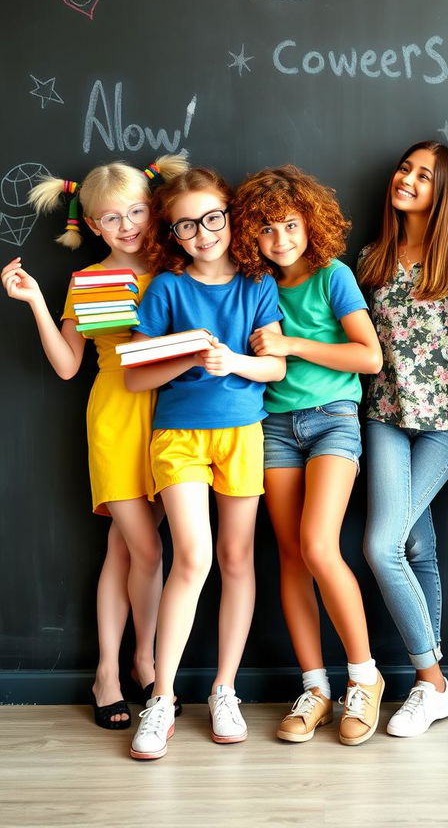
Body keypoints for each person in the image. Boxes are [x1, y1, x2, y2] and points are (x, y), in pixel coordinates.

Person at [1, 158, 177, 729]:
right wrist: (34, 303)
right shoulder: (89, 281)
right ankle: (126, 667)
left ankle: (129, 665)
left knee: (124, 549)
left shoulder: (179, 268)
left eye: (136, 211)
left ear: (153, 209)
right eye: (112, 218)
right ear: (93, 226)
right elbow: (70, 366)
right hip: (116, 415)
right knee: (144, 549)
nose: (127, 225)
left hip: (175, 414)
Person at [126, 160, 285, 761]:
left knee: (237, 558)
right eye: (186, 227)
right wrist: (188, 358)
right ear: (172, 234)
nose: (202, 234)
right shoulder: (167, 288)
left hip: (243, 433)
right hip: (179, 437)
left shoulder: (256, 282)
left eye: (211, 219)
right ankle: (162, 699)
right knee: (191, 557)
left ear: (228, 216)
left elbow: (273, 367)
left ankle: (225, 688)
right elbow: (137, 378)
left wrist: (232, 363)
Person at [232, 165, 385, 746]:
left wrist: (292, 344)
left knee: (321, 545)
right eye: (267, 230)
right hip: (273, 428)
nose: (281, 240)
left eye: (290, 225)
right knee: (292, 556)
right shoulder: (255, 285)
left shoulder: (332, 276)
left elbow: (368, 358)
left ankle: (364, 680)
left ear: (309, 222)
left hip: (332, 424)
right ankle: (316, 687)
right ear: (251, 235)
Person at [357, 141, 448, 737]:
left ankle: (430, 683)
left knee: (383, 547)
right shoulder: (371, 258)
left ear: (444, 191)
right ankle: (433, 688)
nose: (406, 178)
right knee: (413, 548)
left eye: (423, 175)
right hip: (382, 416)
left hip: (446, 424)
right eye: (404, 167)